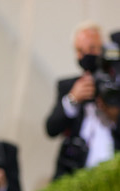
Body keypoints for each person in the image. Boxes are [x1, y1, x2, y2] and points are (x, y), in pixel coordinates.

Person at [45, 22, 120, 179]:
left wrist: (114, 114)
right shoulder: (68, 86)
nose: (86, 55)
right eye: (80, 50)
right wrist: (72, 99)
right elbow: (51, 128)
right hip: (75, 173)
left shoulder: (116, 88)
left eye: (92, 48)